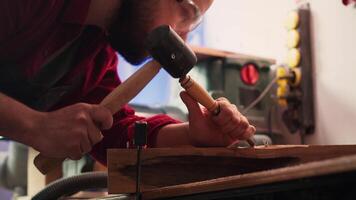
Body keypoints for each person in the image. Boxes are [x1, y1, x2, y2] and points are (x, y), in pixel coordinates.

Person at [0, 0, 255, 165]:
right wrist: (34, 125)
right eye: (186, 14)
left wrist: (190, 134)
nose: (182, 37)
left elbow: (115, 132)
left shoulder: (92, 51)